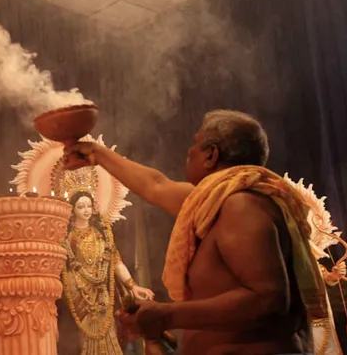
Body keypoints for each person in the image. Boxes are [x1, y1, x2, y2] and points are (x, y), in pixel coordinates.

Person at [64, 110, 329, 355]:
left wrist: (166, 315)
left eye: (195, 143)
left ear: (211, 155)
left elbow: (268, 298)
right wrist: (96, 154)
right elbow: (156, 186)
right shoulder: (213, 201)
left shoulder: (241, 205)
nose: (188, 151)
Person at [64, 190, 154, 355]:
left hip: (101, 292)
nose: (86, 210)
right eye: (81, 207)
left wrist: (133, 286)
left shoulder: (101, 236)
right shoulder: (68, 238)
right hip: (79, 292)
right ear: (73, 210)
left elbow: (116, 262)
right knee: (85, 334)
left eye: (89, 206)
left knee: (108, 329)